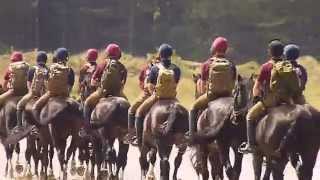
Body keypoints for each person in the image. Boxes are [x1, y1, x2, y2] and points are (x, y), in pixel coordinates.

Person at [239, 39, 302, 154]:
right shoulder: (288, 65)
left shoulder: (266, 67)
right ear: (282, 52)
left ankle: (250, 145)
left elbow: (256, 87)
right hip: (288, 99)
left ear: (270, 52)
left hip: (271, 100)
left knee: (249, 116)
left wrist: (256, 98)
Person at [188, 37, 237, 139]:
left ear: (214, 48)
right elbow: (233, 82)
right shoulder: (231, 65)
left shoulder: (207, 64)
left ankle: (191, 135)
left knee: (193, 107)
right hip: (228, 95)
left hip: (211, 95)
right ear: (226, 49)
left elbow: (202, 86)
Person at [134, 43, 181, 146]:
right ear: (171, 55)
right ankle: (184, 137)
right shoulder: (176, 69)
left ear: (160, 54)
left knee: (139, 112)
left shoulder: (155, 68)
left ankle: (138, 139)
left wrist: (154, 94)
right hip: (172, 98)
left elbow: (150, 85)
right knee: (183, 113)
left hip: (157, 96)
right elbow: (175, 84)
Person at [79, 43, 127, 137]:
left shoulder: (102, 64)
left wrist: (100, 85)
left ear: (108, 53)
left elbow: (93, 82)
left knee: (87, 103)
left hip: (102, 92)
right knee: (128, 107)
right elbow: (123, 83)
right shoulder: (122, 67)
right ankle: (129, 130)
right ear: (118, 54)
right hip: (118, 93)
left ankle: (86, 128)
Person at [32, 48, 75, 123]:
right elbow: (70, 85)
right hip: (65, 94)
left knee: (35, 107)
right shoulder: (70, 70)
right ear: (67, 58)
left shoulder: (51, 68)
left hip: (51, 93)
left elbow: (46, 81)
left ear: (57, 57)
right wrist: (67, 93)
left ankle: (38, 125)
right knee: (80, 109)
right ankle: (83, 128)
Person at [124, 56, 159, 143]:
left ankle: (133, 133)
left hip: (148, 94)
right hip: (163, 94)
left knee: (132, 110)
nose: (157, 62)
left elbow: (143, 82)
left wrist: (145, 88)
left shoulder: (149, 69)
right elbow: (140, 80)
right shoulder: (166, 68)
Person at [13, 51, 49, 133]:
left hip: (33, 93)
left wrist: (31, 93)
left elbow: (28, 84)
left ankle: (19, 126)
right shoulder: (48, 70)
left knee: (19, 106)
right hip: (45, 95)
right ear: (45, 60)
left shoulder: (32, 69)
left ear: (37, 59)